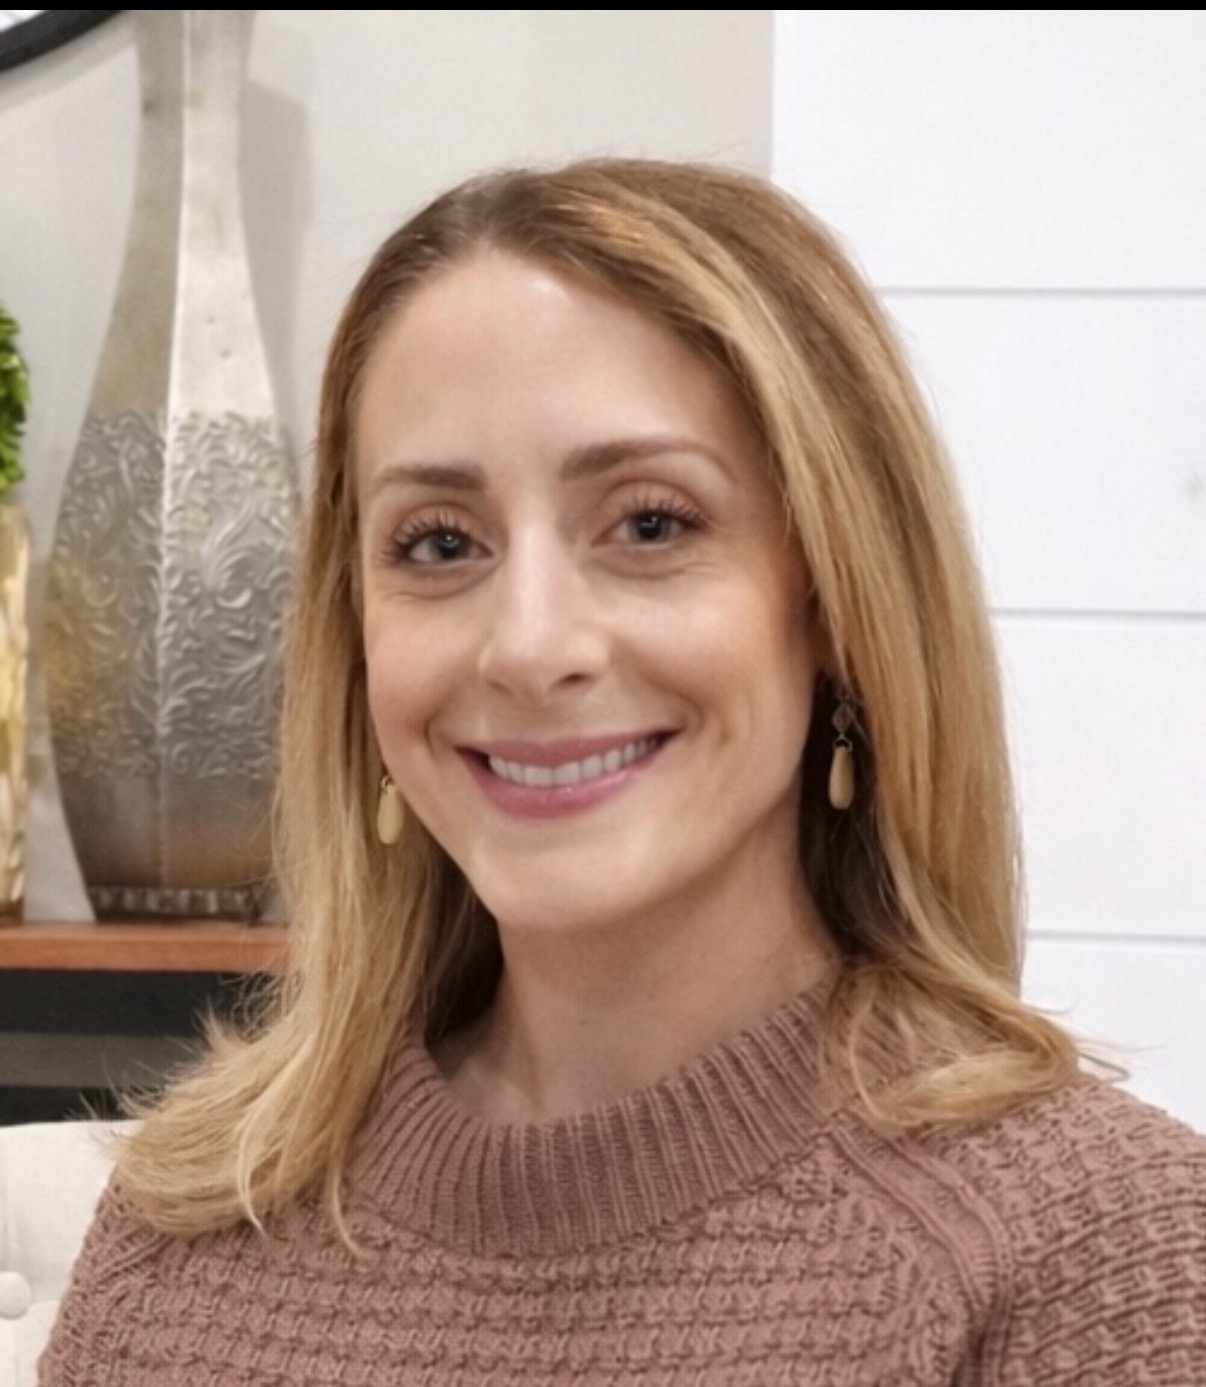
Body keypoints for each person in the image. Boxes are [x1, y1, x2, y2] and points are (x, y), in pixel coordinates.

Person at [41, 159, 1206, 1385]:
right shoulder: (180, 1248)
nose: (532, 645)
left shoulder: (1096, 1253)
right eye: (440, 543)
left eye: (651, 524)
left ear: (837, 605)